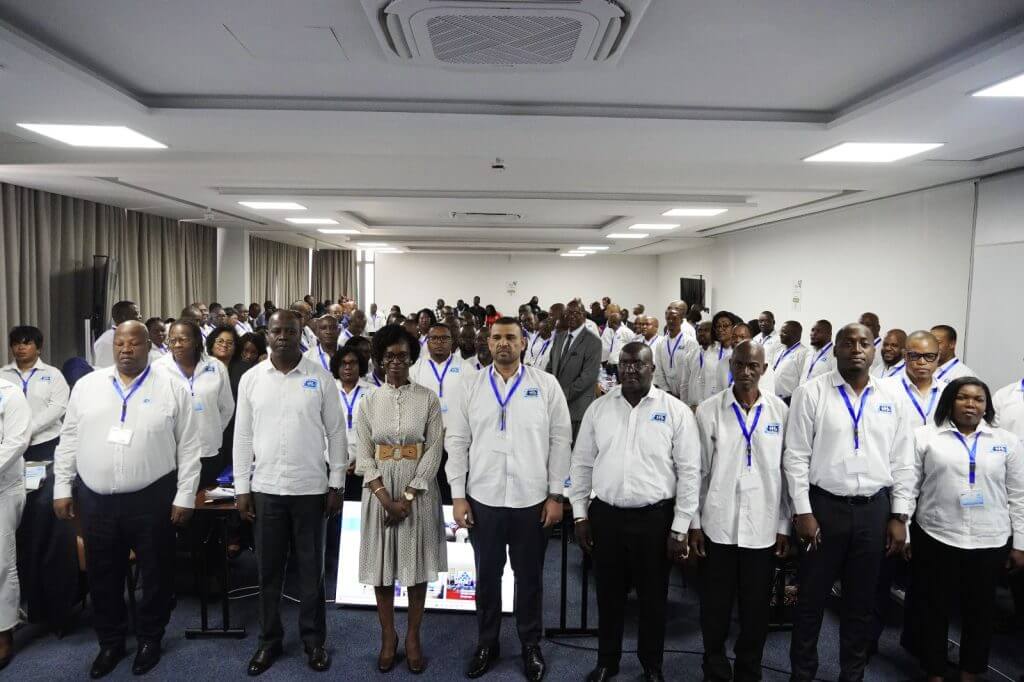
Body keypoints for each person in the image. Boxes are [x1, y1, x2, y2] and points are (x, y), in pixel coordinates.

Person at [54, 321, 201, 678]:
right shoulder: (87, 387)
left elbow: (189, 446)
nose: (125, 349)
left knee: (156, 572)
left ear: (149, 346)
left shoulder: (172, 387)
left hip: (152, 497)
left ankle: (150, 638)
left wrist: (185, 495)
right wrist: (62, 487)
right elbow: (69, 438)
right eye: (120, 343)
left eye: (134, 343)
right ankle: (111, 642)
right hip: (96, 499)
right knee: (102, 574)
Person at [783, 323, 914, 682]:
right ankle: (802, 674)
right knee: (810, 600)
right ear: (836, 349)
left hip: (875, 510)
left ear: (874, 350)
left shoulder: (892, 396)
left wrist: (900, 515)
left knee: (861, 601)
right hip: (823, 509)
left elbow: (903, 461)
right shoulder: (811, 393)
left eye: (864, 343)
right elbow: (795, 456)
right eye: (848, 343)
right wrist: (803, 511)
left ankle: (852, 675)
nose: (856, 349)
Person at [446, 318, 572, 682]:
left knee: (529, 578)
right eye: (497, 337)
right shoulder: (469, 385)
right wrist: (458, 495)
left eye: (511, 338)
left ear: (523, 343)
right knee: (487, 577)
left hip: (531, 500)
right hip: (483, 498)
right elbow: (457, 441)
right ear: (488, 342)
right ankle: (487, 643)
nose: (504, 343)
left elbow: (560, 441)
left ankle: (530, 644)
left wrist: (556, 494)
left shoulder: (545, 385)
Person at [570, 343, 699, 682]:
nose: (629, 369)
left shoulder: (675, 411)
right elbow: (581, 464)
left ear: (651, 369)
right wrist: (580, 515)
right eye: (624, 363)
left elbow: (689, 472)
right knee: (608, 595)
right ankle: (607, 662)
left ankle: (651, 665)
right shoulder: (599, 409)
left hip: (655, 520)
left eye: (638, 364)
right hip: (606, 517)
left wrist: (680, 527)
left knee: (653, 598)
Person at [233, 310, 346, 675]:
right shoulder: (251, 380)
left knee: (312, 572)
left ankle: (314, 641)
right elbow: (242, 437)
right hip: (265, 489)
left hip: (310, 489)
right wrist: (241, 488)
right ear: (267, 334)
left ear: (301, 334)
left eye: (290, 331)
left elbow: (337, 433)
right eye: (277, 330)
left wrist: (336, 482)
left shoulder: (320, 377)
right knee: (267, 571)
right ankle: (269, 641)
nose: (283, 336)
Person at [906, 377, 1024, 681]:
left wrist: (1020, 543)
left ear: (986, 406)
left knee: (980, 612)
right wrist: (904, 529)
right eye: (963, 397)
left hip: (990, 539)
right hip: (937, 534)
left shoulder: (1007, 442)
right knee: (934, 608)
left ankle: (970, 673)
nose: (971, 404)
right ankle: (934, 671)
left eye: (978, 399)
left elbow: (1018, 495)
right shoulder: (925, 436)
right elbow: (909, 486)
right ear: (950, 401)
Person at [691, 341, 790, 682]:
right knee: (715, 606)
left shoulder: (780, 412)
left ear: (764, 369)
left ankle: (749, 669)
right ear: (731, 365)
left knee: (756, 608)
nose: (746, 371)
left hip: (762, 527)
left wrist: (784, 525)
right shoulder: (709, 410)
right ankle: (715, 666)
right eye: (739, 364)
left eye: (753, 366)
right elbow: (698, 472)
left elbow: (786, 472)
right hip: (718, 524)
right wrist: (694, 523)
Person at [353, 325, 445, 674]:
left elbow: (434, 449)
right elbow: (364, 454)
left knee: (416, 567)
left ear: (411, 358)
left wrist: (407, 496)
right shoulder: (368, 401)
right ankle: (388, 635)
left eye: (402, 355)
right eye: (389, 356)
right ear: (379, 359)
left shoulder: (428, 399)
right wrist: (384, 497)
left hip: (417, 491)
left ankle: (413, 636)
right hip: (378, 492)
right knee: (382, 569)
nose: (395, 361)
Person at [154, 320, 234, 488]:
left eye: (183, 339)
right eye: (172, 340)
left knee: (205, 499)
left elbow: (227, 407)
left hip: (207, 452)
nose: (177, 344)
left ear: (197, 340)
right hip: (172, 454)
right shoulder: (158, 368)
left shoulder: (216, 367)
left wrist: (211, 429)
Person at [3, 326, 70, 460]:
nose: (21, 347)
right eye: (16, 344)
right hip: (9, 444)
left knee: (46, 474)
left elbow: (57, 407)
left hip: (45, 443)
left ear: (38, 348)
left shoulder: (53, 374)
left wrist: (28, 429)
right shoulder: (2, 376)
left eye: (27, 343)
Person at [0, 375, 30, 671]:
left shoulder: (9, 393)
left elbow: (16, 442)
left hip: (3, 489)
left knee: (1, 563)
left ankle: (4, 631)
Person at [547, 301, 602, 440]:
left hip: (577, 409)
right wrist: (548, 390)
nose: (571, 316)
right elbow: (550, 366)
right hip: (556, 407)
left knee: (574, 450)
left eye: (576, 313)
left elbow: (588, 377)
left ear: (584, 315)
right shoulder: (559, 337)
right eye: (568, 313)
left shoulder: (593, 341)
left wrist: (561, 396)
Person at [885, 331, 941, 427]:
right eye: (914, 356)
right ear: (905, 355)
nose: (922, 362)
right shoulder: (885, 389)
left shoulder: (948, 391)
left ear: (938, 356)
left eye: (929, 356)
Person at [653, 300, 696, 401]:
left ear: (681, 320)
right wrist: (667, 392)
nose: (671, 321)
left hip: (686, 394)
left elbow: (693, 370)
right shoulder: (661, 342)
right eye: (668, 319)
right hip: (667, 394)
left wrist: (685, 394)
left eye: (675, 318)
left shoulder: (690, 342)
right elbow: (659, 370)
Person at [92, 300, 141, 368]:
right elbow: (105, 370)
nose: (140, 316)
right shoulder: (107, 341)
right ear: (124, 317)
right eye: (136, 314)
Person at [772, 320, 809, 403]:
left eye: (784, 332)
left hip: (790, 401)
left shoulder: (804, 353)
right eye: (780, 331)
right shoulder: (779, 351)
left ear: (795, 334)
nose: (780, 334)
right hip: (775, 399)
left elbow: (804, 381)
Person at [684, 321, 714, 408]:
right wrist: (685, 406)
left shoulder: (720, 355)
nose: (701, 333)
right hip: (692, 406)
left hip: (711, 407)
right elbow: (684, 384)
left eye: (706, 330)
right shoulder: (691, 355)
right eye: (699, 330)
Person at [600, 310, 634, 379]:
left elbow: (633, 346)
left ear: (613, 322)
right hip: (611, 364)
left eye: (609, 320)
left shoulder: (626, 331)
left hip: (620, 365)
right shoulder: (614, 332)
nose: (607, 321)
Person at [799, 320, 835, 385]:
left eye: (818, 331)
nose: (813, 334)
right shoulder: (809, 353)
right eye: (812, 330)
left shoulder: (836, 355)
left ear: (829, 334)